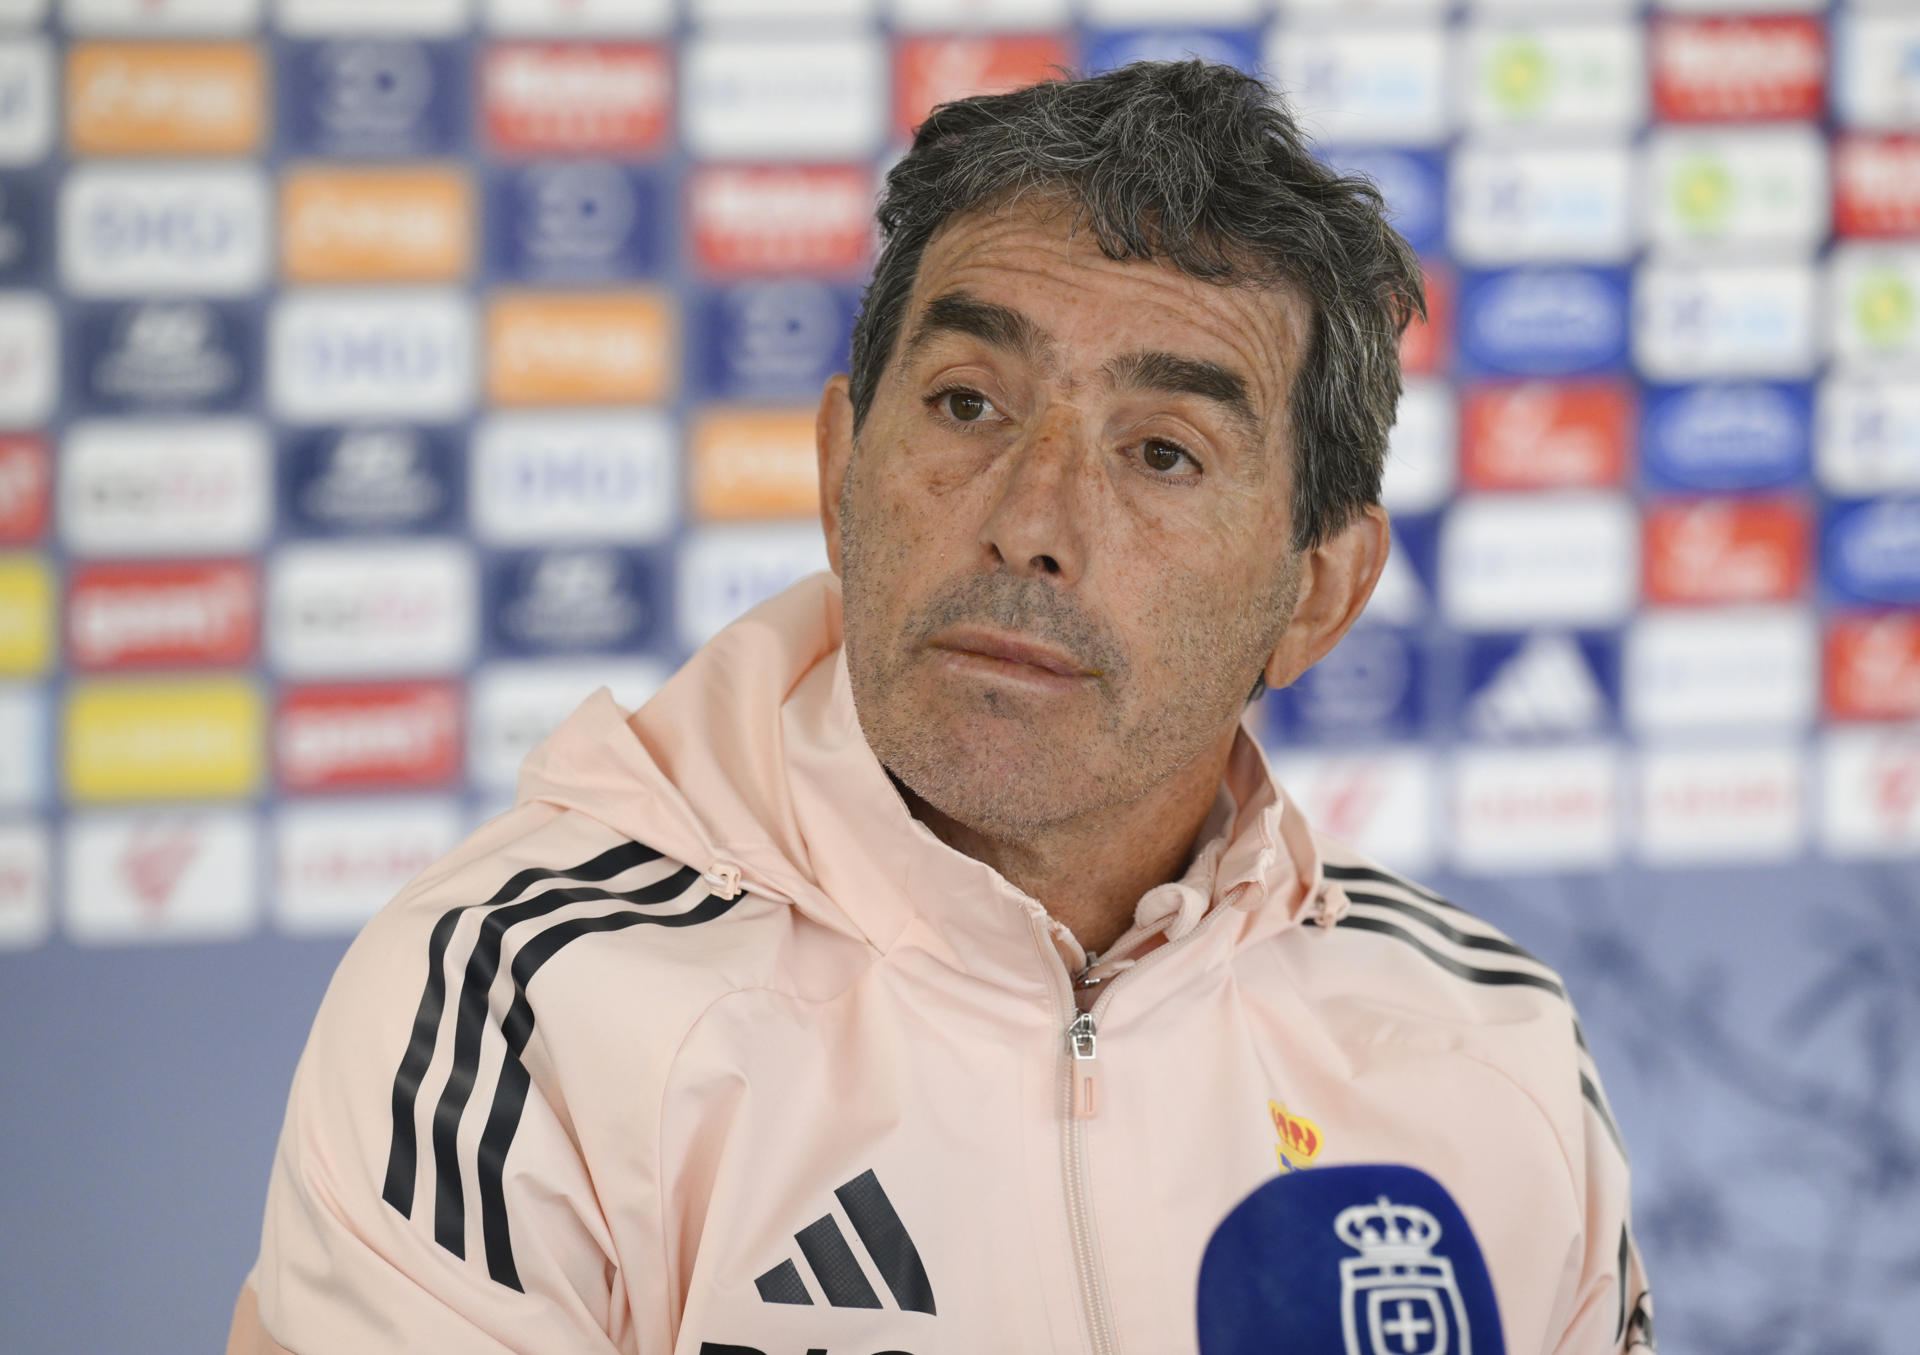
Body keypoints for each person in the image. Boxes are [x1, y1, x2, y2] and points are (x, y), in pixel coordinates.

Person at [229, 60, 1653, 1354]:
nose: (1031, 520)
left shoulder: (1486, 1041)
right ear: (844, 461)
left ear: (1316, 592)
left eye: (1162, 453)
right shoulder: (517, 998)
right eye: (969, 405)